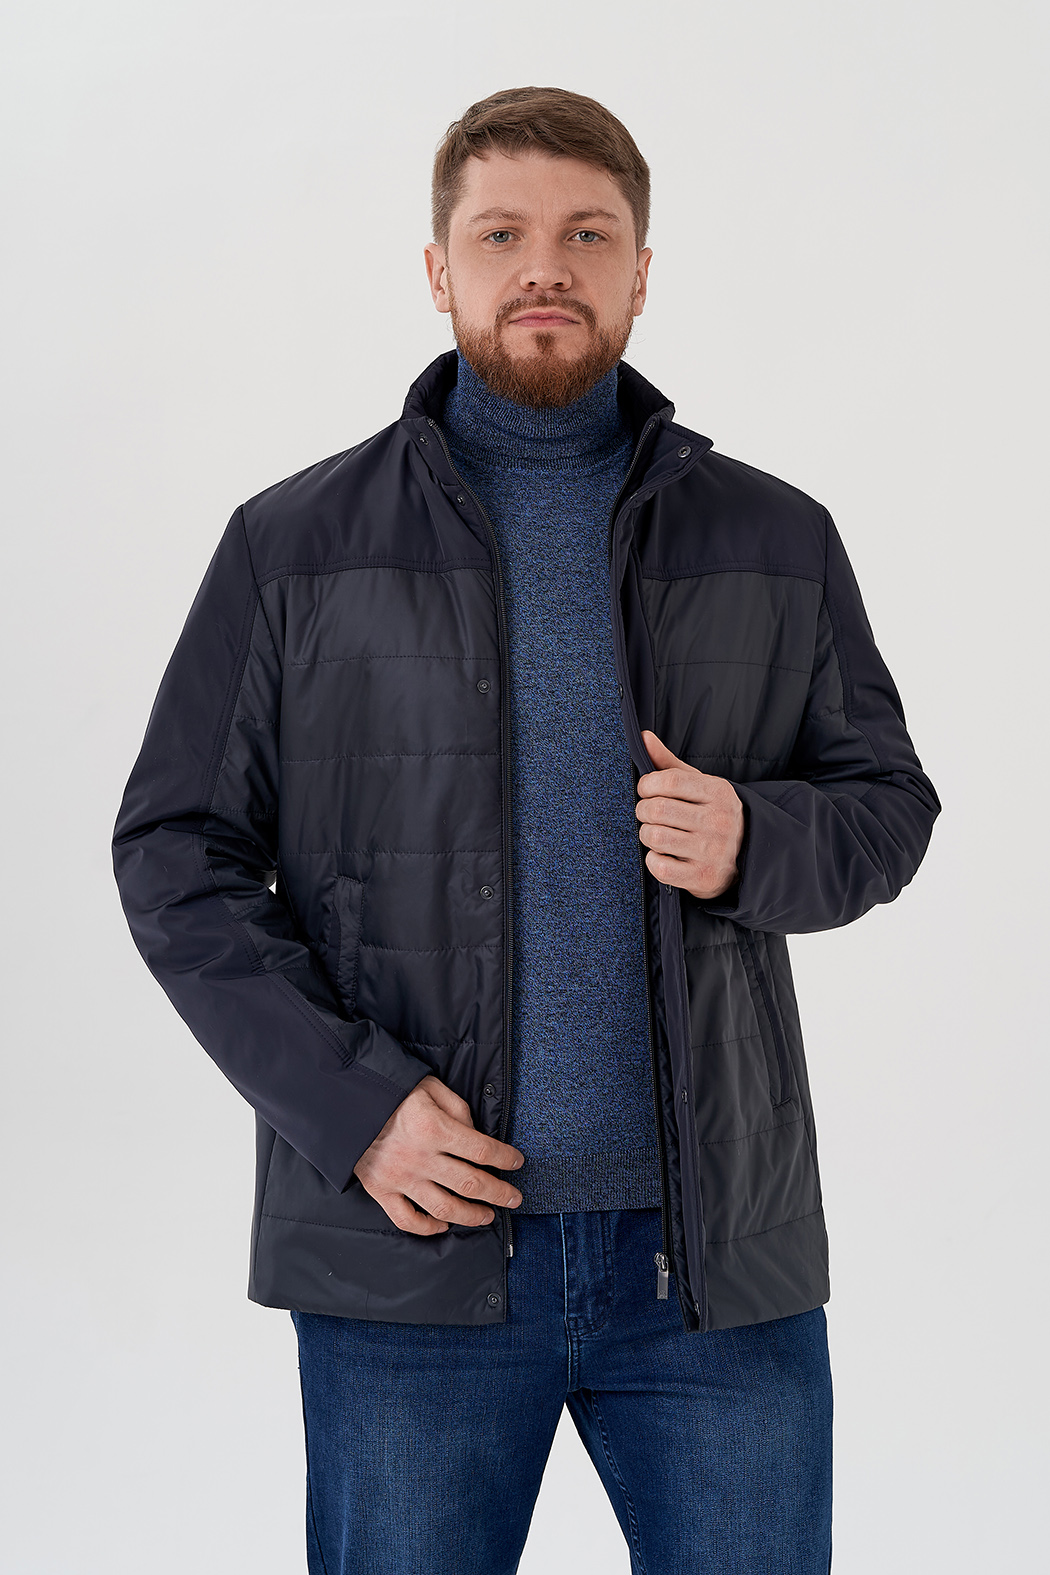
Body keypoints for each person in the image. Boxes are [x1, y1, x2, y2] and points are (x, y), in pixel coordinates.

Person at [112, 85, 940, 1575]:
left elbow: (888, 806)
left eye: (587, 235)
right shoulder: (291, 547)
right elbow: (176, 852)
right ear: (439, 268)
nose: (544, 267)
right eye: (501, 235)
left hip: (710, 1271)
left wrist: (755, 838)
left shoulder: (776, 535)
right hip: (411, 1262)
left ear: (641, 271)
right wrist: (354, 1110)